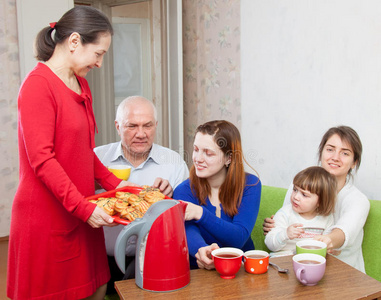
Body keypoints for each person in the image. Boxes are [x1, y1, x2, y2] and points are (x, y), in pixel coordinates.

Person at [6, 6, 137, 300]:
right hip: (48, 218)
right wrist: (83, 208)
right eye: (98, 54)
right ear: (75, 41)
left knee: (96, 290)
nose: (100, 63)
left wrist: (119, 188)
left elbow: (84, 152)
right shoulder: (37, 86)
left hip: (80, 214)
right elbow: (42, 161)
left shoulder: (81, 85)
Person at [94, 95, 189, 291]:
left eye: (147, 126)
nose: (141, 133)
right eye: (132, 126)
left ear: (156, 125)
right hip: (98, 257)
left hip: (150, 259)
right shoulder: (97, 157)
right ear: (118, 126)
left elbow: (185, 217)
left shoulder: (173, 162)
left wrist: (169, 199)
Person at [263, 126, 370, 272]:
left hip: (345, 274)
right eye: (330, 149)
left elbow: (344, 231)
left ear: (354, 162)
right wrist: (277, 229)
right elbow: (289, 217)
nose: (335, 157)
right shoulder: (299, 187)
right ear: (321, 153)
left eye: (345, 153)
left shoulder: (358, 200)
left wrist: (328, 240)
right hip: (301, 268)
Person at [173, 120, 262, 270]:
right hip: (200, 274)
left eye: (208, 153)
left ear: (229, 158)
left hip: (242, 271)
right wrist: (202, 251)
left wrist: (201, 214)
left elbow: (238, 238)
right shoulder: (183, 190)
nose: (198, 159)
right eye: (196, 149)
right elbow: (189, 231)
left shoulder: (250, 185)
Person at [265, 166, 336, 257]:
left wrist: (330, 249)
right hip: (283, 260)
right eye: (295, 190)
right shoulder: (285, 213)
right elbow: (270, 244)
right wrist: (285, 234)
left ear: (320, 202)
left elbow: (326, 243)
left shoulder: (326, 218)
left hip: (310, 261)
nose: (296, 197)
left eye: (304, 195)